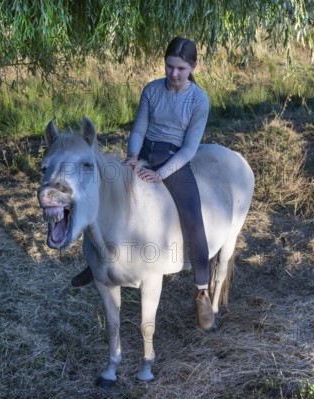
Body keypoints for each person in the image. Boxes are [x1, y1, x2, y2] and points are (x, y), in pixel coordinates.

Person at [71, 36, 214, 330]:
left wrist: (161, 174)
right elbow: (138, 128)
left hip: (175, 161)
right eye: (170, 66)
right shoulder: (151, 90)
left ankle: (202, 289)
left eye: (181, 69)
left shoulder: (199, 100)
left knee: (192, 216)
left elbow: (189, 148)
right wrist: (133, 156)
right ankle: (97, 262)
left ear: (193, 67)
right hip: (143, 154)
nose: (174, 74)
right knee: (105, 194)